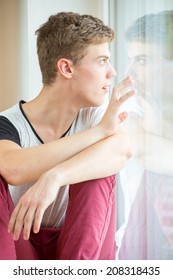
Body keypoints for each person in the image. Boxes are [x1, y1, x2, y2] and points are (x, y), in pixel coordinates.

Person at [0, 12, 134, 260]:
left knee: (98, 170)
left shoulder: (95, 115)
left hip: (82, 253)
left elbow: (122, 150)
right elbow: (12, 169)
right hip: (19, 248)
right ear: (66, 68)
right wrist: (99, 133)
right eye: (102, 61)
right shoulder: (7, 124)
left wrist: (56, 176)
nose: (112, 72)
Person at [116, 10, 173, 259]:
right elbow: (145, 149)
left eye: (142, 60)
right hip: (144, 251)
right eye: (130, 59)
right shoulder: (133, 104)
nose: (129, 72)